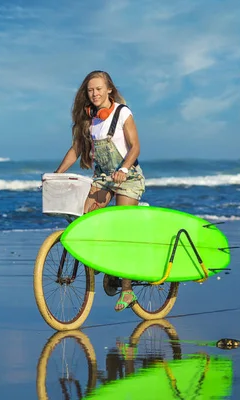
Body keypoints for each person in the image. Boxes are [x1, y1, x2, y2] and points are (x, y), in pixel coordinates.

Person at [54, 70, 146, 312]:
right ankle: (103, 262)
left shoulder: (122, 113)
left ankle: (127, 291)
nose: (94, 94)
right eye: (90, 90)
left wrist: (124, 169)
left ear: (109, 90)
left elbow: (135, 147)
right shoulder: (90, 120)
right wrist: (57, 173)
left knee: (123, 230)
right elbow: (75, 150)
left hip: (128, 178)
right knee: (85, 219)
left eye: (98, 89)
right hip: (104, 178)